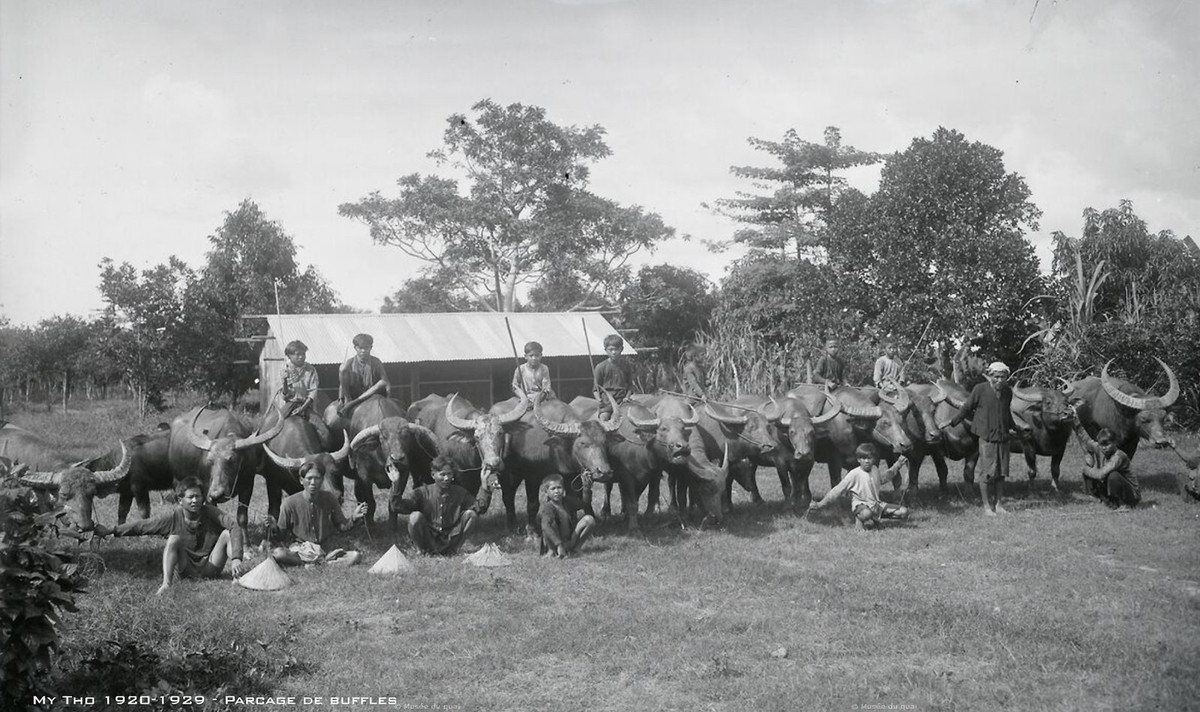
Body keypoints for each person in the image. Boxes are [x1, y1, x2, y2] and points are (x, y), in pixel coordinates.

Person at [102, 477, 244, 595]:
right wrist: (113, 530)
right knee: (173, 539)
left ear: (203, 498)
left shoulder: (211, 512)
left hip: (210, 566)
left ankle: (237, 576)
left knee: (227, 534)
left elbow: (234, 526)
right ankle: (166, 583)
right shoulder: (173, 517)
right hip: (186, 568)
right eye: (190, 497)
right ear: (180, 500)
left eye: (198, 496)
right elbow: (143, 526)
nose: (195, 501)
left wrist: (236, 558)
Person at [265, 461, 369, 566]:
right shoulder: (289, 503)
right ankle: (322, 563)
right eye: (309, 478)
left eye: (317, 478)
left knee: (356, 555)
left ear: (322, 480)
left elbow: (342, 526)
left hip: (326, 549)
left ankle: (314, 563)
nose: (313, 482)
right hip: (300, 550)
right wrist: (274, 527)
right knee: (278, 553)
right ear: (301, 480)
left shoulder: (330, 498)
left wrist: (354, 518)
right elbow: (281, 536)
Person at [948, 361, 1017, 516]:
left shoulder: (1007, 392)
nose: (1000, 380)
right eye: (997, 377)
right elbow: (966, 408)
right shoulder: (980, 389)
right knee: (987, 473)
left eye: (1003, 377)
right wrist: (952, 422)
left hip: (1003, 436)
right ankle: (987, 507)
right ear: (990, 376)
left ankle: (999, 505)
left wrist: (1015, 427)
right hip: (987, 436)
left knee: (1001, 473)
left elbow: (1006, 412)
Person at [393, 455, 490, 556]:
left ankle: (455, 550)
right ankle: (421, 551)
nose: (447, 478)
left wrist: (484, 482)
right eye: (442, 474)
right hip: (428, 538)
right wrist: (396, 484)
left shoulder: (460, 492)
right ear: (433, 475)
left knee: (471, 515)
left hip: (451, 538)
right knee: (415, 516)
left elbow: (480, 508)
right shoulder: (422, 492)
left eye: (449, 474)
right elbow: (397, 507)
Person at [808, 444, 909, 530]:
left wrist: (898, 464)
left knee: (904, 512)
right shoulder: (854, 474)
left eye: (869, 458)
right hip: (861, 506)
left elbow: (884, 478)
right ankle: (860, 522)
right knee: (866, 513)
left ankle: (875, 520)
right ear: (858, 460)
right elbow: (837, 490)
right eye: (863, 458)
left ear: (874, 459)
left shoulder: (874, 469)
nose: (866, 461)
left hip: (877, 505)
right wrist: (820, 504)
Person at [1073, 423, 1139, 509]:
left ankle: (1121, 503)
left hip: (1131, 495)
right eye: (1102, 445)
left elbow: (1101, 474)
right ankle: (1095, 498)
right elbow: (1087, 440)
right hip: (1110, 485)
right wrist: (1077, 423)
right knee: (1090, 471)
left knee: (1113, 475)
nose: (1104, 448)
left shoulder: (1118, 456)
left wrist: (1087, 469)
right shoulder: (1099, 448)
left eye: (1107, 444)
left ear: (1115, 442)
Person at [277, 339, 329, 442]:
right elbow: (284, 395)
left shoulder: (311, 369)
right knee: (271, 427)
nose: (301, 357)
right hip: (290, 405)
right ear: (289, 356)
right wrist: (284, 382)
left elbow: (313, 391)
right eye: (297, 354)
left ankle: (324, 453)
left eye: (303, 354)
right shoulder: (284, 370)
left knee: (325, 432)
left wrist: (303, 408)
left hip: (306, 405)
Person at [537, 474, 596, 557]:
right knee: (550, 523)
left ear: (564, 489)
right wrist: (558, 544)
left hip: (570, 540)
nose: (557, 491)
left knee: (589, 519)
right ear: (546, 492)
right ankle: (552, 551)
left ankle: (576, 548)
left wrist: (586, 488)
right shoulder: (547, 507)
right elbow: (545, 527)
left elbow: (584, 505)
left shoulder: (567, 501)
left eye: (559, 488)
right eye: (553, 489)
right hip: (555, 542)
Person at [337, 333, 390, 418]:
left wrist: (388, 398)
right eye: (360, 348)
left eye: (366, 348)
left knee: (381, 383)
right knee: (342, 368)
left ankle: (353, 403)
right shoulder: (349, 363)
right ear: (355, 348)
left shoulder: (376, 362)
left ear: (371, 348)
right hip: (353, 395)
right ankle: (351, 403)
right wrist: (342, 398)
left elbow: (385, 382)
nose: (363, 351)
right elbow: (342, 384)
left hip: (372, 396)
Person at [594, 334, 637, 419]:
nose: (614, 352)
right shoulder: (600, 367)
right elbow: (595, 389)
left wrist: (627, 397)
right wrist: (599, 400)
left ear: (622, 349)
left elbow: (630, 386)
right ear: (606, 350)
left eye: (616, 349)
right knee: (604, 418)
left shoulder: (626, 365)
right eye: (611, 349)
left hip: (623, 401)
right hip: (607, 402)